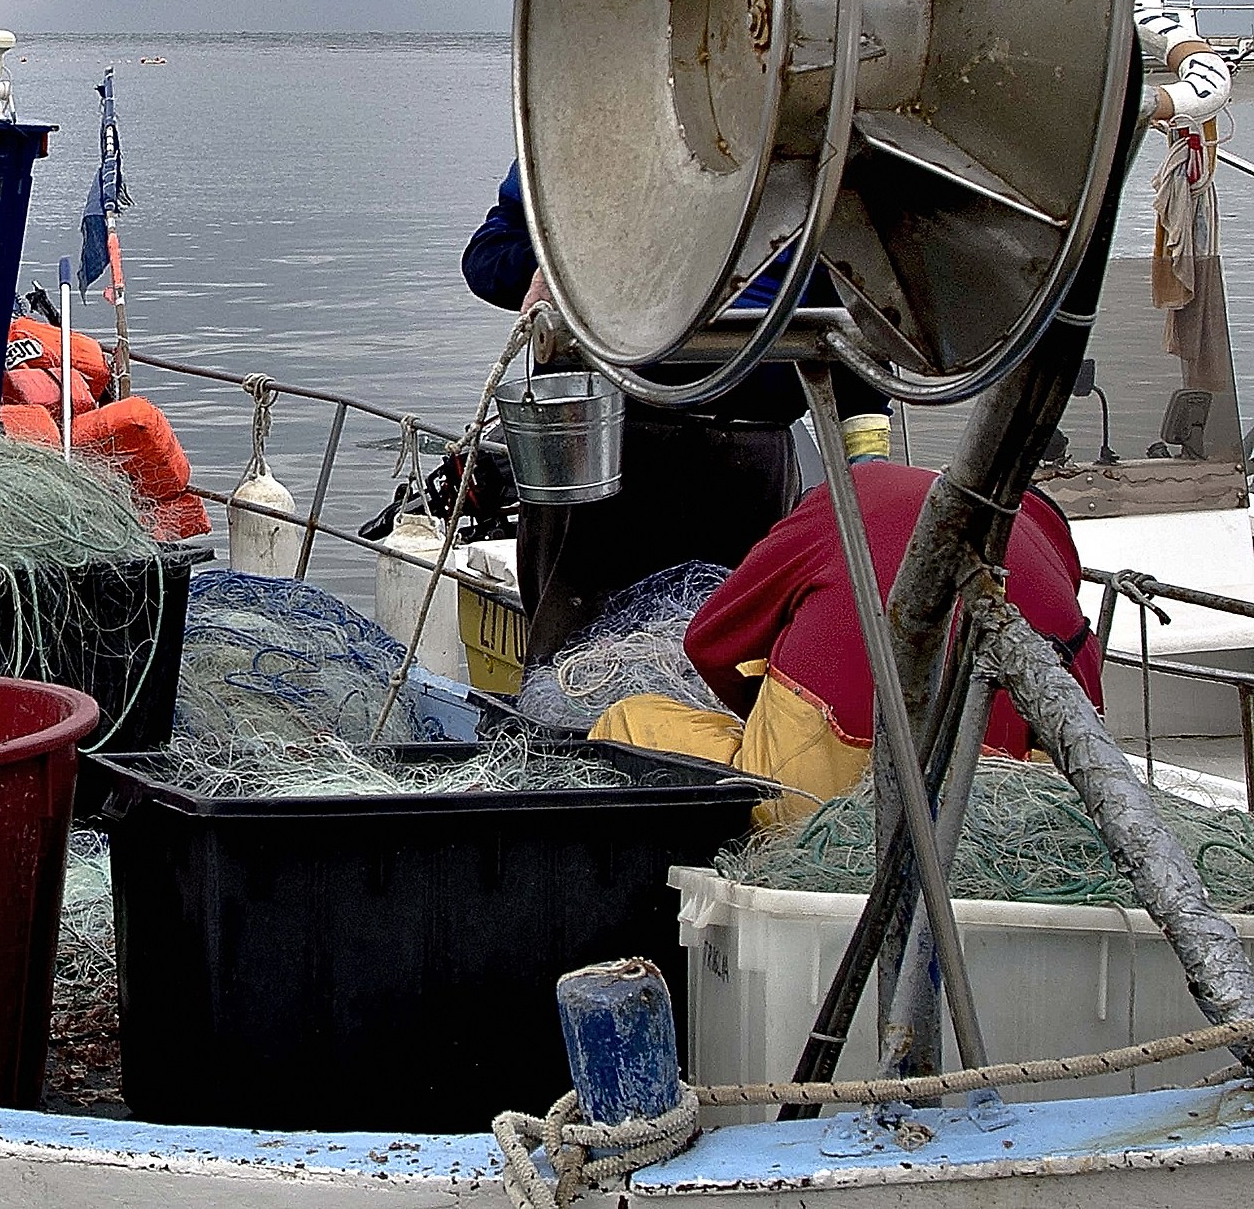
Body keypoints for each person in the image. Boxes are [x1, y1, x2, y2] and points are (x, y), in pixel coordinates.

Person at [463, 159, 892, 659]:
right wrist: (555, 269)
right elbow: (486, 257)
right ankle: (559, 733)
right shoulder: (588, 129)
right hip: (605, 449)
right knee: (574, 656)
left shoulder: (820, 144)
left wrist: (868, 470)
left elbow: (861, 315)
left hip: (750, 455)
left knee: (731, 665)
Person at [589, 462, 1104, 810]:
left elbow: (708, 641)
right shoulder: (1062, 595)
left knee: (627, 722)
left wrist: (758, 718)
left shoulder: (860, 491)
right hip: (985, 818)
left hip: (813, 798)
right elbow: (1085, 747)